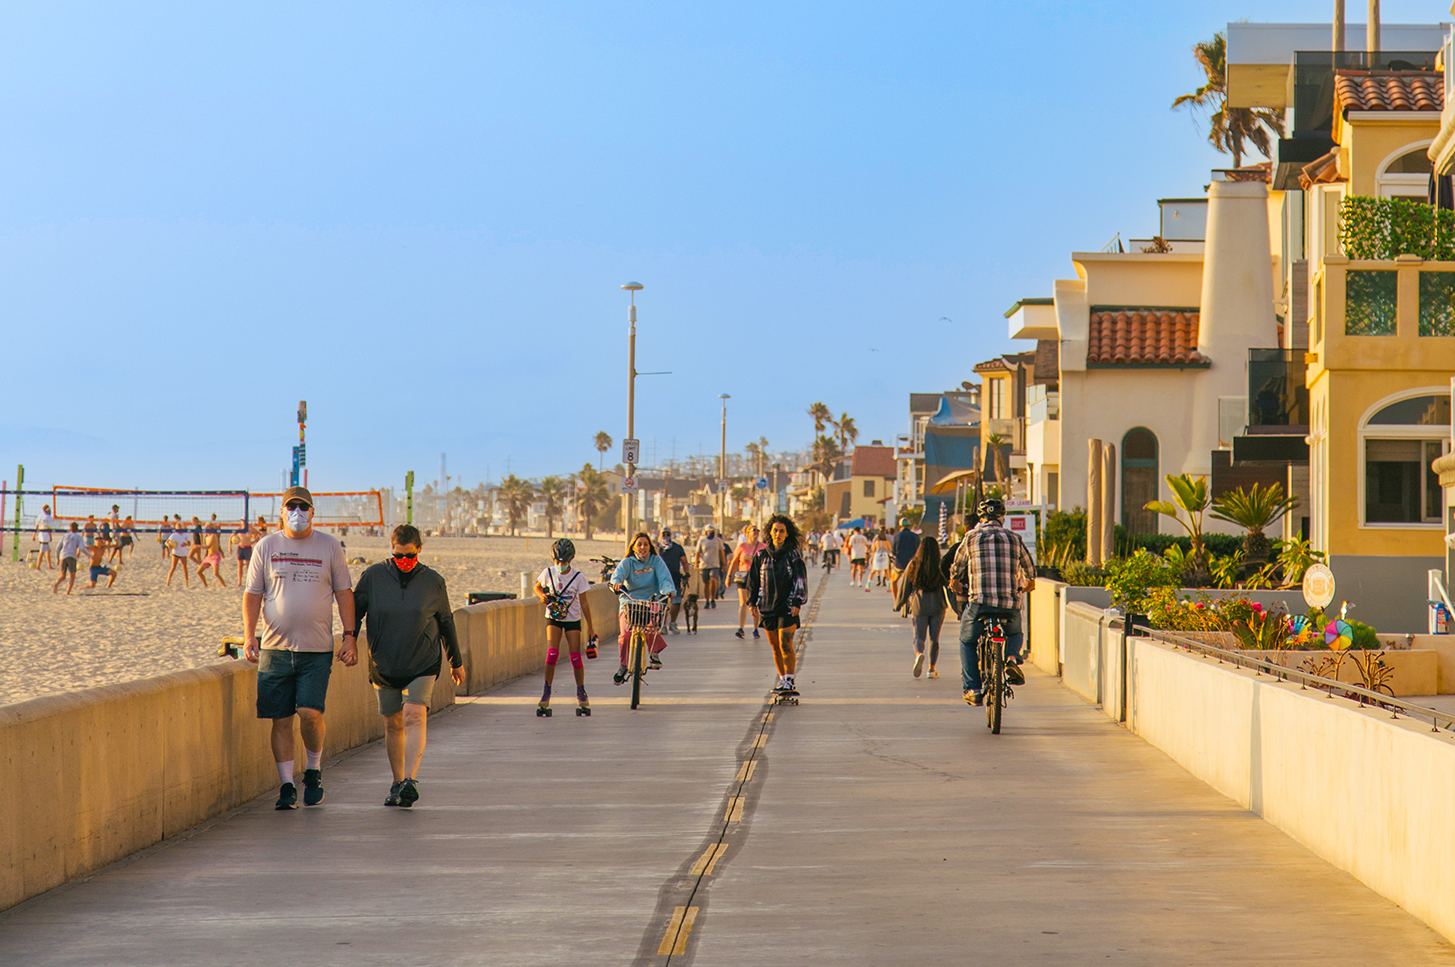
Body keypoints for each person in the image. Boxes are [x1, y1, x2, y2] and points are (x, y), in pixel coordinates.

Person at [243, 487, 356, 810]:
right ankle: (287, 785)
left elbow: (344, 593)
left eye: (303, 506)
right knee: (280, 719)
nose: (297, 511)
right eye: (291, 506)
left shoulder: (329, 546)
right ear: (281, 511)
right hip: (276, 649)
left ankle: (313, 770)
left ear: (312, 512)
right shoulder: (266, 547)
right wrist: (250, 635)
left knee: (310, 713)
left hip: (316, 649)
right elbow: (252, 595)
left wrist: (349, 636)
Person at [352, 523, 464, 807]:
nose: (404, 562)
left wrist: (456, 661)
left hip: (422, 660)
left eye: (410, 556)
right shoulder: (373, 577)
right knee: (393, 722)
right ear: (391, 549)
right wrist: (348, 640)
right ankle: (396, 781)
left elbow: (446, 622)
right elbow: (354, 612)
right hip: (384, 661)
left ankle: (410, 781)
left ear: (420, 551)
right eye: (398, 555)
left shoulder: (434, 582)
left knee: (414, 714)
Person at [950, 498, 1035, 707]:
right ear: (1002, 518)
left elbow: (956, 569)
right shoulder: (1014, 538)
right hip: (1009, 603)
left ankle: (973, 688)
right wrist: (1029, 584)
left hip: (979, 602)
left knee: (967, 641)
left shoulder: (970, 537)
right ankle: (1012, 659)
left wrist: (956, 584)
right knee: (1015, 632)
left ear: (980, 518)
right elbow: (1030, 569)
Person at [533, 538, 597, 716]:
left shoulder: (578, 577)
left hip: (572, 619)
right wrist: (541, 596)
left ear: (571, 560)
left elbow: (584, 603)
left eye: (564, 561)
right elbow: (538, 587)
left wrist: (590, 628)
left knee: (575, 657)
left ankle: (581, 692)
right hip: (553, 618)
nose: (560, 565)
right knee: (552, 654)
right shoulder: (548, 573)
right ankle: (546, 691)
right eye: (557, 561)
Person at [748, 514, 808, 695]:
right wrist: (752, 602)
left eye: (782, 531)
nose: (778, 534)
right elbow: (753, 581)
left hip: (788, 606)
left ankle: (789, 680)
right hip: (767, 607)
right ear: (770, 533)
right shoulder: (761, 555)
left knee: (785, 644)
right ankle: (782, 680)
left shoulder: (793, 555)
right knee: (775, 646)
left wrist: (797, 601)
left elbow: (800, 580)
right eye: (775, 530)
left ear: (787, 533)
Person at [609, 532, 676, 684]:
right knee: (625, 634)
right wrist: (617, 584)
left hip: (650, 601)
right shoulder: (628, 562)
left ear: (650, 547)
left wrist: (668, 591)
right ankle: (623, 665)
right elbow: (617, 575)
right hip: (629, 602)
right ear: (633, 547)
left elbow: (665, 578)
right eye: (639, 544)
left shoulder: (656, 561)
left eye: (646, 544)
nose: (643, 547)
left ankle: (654, 652)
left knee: (652, 627)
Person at [895, 535, 946, 679]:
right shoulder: (940, 565)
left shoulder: (913, 564)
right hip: (938, 605)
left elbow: (905, 586)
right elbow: (950, 588)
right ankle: (931, 669)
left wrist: (899, 604)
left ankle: (919, 654)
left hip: (919, 605)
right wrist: (958, 609)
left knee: (919, 637)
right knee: (934, 639)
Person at [727, 523, 766, 639]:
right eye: (753, 530)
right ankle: (741, 628)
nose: (755, 532)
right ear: (747, 533)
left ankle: (755, 629)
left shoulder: (763, 547)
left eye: (757, 530)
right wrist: (728, 576)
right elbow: (734, 561)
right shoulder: (742, 546)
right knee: (743, 603)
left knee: (755, 603)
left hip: (757, 577)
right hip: (743, 576)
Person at [657, 528, 689, 634]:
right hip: (660, 580)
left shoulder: (677, 548)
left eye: (668, 534)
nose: (666, 536)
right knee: (662, 603)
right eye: (663, 534)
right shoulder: (657, 549)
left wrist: (687, 573)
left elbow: (684, 562)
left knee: (676, 602)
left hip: (675, 578)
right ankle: (662, 625)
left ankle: (673, 623)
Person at [695, 526, 726, 609]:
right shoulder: (702, 540)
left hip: (715, 564)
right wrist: (696, 563)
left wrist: (724, 564)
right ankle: (707, 600)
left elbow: (722, 552)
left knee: (713, 580)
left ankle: (713, 599)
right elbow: (698, 552)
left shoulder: (718, 540)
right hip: (704, 565)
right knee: (706, 583)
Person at [890, 522, 921, 603]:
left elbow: (894, 552)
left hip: (900, 564)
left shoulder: (897, 536)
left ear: (900, 526)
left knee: (893, 581)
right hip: (913, 564)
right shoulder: (915, 536)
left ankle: (896, 601)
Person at [52, 523, 86, 595]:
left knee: (63, 576)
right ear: (77, 529)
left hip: (63, 556)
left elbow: (58, 548)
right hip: (71, 556)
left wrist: (57, 558)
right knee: (72, 576)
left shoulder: (65, 536)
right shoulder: (78, 537)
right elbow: (82, 548)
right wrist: (90, 555)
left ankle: (56, 584)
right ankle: (68, 592)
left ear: (70, 528)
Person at [166, 523, 193, 588]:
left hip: (183, 553)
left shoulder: (185, 534)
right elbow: (167, 542)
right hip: (175, 553)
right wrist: (169, 545)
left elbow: (189, 543)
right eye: (177, 527)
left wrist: (185, 544)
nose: (179, 528)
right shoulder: (174, 535)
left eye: (180, 526)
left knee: (185, 568)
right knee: (173, 568)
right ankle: (168, 582)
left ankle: (187, 583)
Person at [34, 504, 55, 570]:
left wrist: (34, 535)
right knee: (42, 552)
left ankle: (49, 566)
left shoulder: (40, 516)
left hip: (41, 534)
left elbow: (36, 526)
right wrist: (50, 536)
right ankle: (38, 566)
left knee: (48, 551)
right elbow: (49, 528)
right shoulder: (49, 518)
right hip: (45, 535)